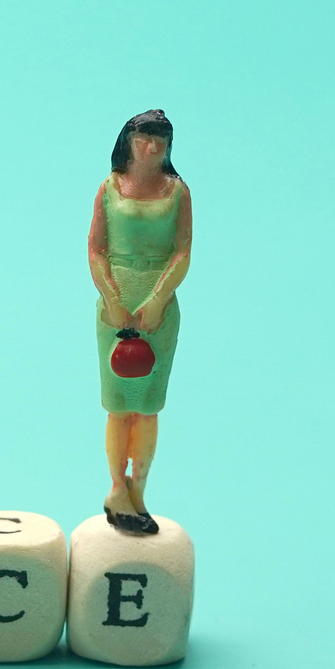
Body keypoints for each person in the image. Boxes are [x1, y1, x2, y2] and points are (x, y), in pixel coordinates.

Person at [87, 110, 192, 535]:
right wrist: (112, 298)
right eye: (145, 139)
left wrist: (158, 299)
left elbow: (182, 252)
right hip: (116, 302)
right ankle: (116, 487)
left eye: (161, 140)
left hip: (159, 306)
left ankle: (139, 490)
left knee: (146, 408)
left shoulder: (177, 192)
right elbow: (96, 252)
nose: (153, 148)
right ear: (128, 142)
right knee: (117, 407)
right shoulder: (110, 189)